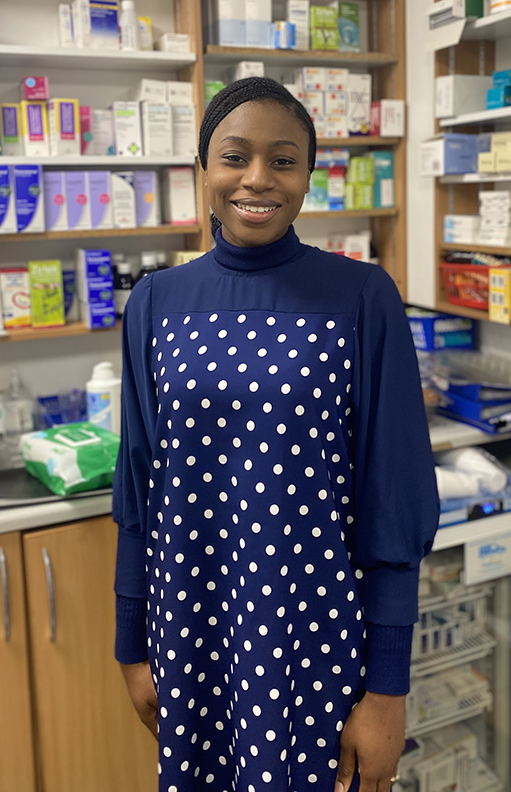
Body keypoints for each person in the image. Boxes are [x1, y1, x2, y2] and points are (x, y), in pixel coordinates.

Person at [113, 77, 439, 792]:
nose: (257, 178)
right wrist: (130, 647)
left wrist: (386, 692)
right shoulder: (156, 302)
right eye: (235, 157)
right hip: (190, 632)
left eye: (283, 160)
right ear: (203, 170)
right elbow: (138, 493)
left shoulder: (362, 297)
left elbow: (394, 505)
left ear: (308, 175)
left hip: (314, 640)